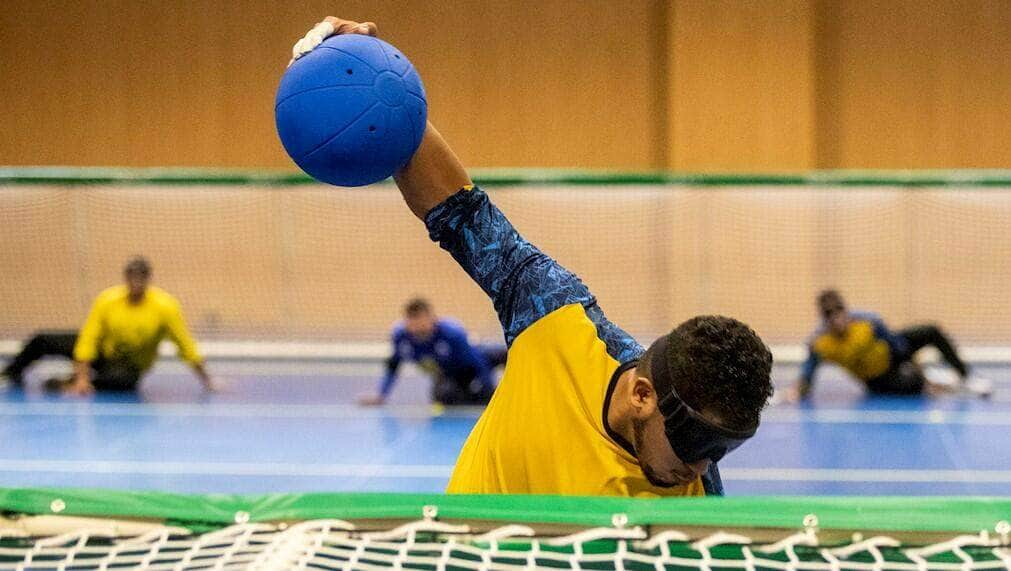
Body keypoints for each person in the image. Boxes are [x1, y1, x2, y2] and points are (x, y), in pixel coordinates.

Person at [290, 18, 773, 497]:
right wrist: (380, 88)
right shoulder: (556, 318)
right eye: (695, 443)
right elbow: (459, 214)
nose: (701, 466)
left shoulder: (698, 498)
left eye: (722, 449)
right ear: (643, 396)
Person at [1, 257, 213, 395]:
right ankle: (12, 373)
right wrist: (83, 376)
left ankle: (67, 384)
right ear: (126, 278)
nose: (136, 283)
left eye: (141, 278)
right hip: (102, 352)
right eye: (132, 277)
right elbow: (89, 337)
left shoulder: (165, 306)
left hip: (129, 364)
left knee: (124, 383)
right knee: (43, 339)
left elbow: (185, 344)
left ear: (148, 279)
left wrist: (207, 381)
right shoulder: (108, 299)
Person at [788, 289, 991, 401]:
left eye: (839, 312)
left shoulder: (868, 322)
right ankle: (935, 382)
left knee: (931, 331)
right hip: (877, 379)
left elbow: (898, 345)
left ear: (846, 310)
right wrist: (799, 390)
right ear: (825, 319)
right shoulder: (820, 343)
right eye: (830, 316)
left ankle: (965, 376)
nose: (837, 320)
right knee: (915, 384)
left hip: (894, 356)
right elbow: (808, 371)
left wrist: (912, 362)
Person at [359, 298, 506, 406]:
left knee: (505, 354)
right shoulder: (400, 337)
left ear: (432, 318)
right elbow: (393, 366)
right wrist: (381, 396)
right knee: (445, 398)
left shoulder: (452, 333)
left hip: (474, 364)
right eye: (412, 320)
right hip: (448, 376)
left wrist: (491, 393)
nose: (417, 325)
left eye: (421, 319)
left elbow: (478, 363)